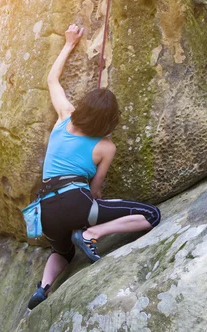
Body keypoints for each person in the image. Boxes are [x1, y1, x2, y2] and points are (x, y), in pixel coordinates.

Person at [27, 24, 161, 310]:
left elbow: (52, 80)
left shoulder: (64, 117)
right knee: (151, 215)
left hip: (46, 210)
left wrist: (68, 43)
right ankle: (90, 235)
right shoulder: (106, 146)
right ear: (110, 121)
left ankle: (43, 288)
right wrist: (89, 221)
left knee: (61, 251)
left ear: (84, 107)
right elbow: (95, 190)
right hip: (78, 200)